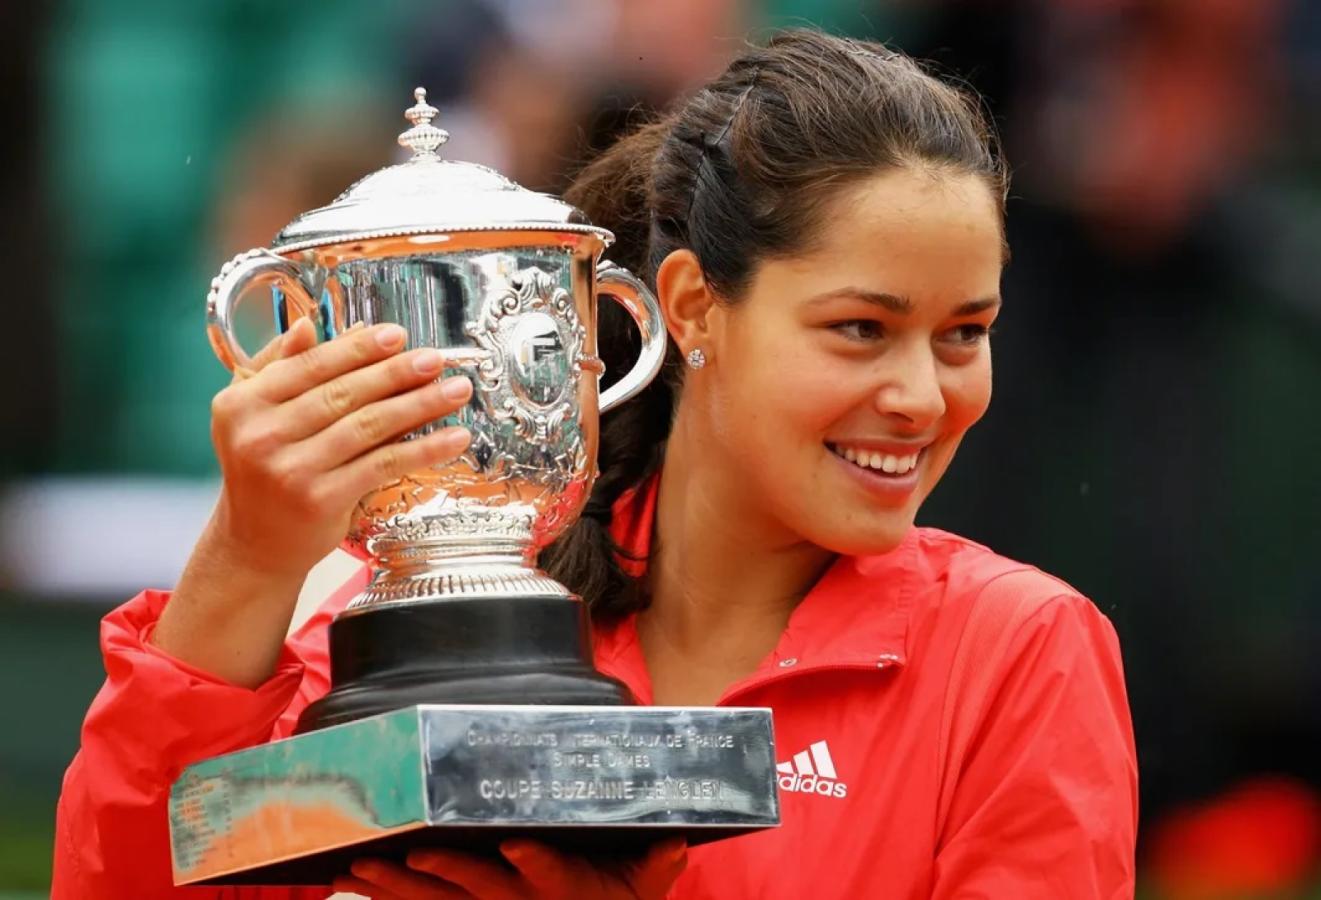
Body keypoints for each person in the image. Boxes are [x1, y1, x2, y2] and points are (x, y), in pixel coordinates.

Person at [52, 29, 1138, 899]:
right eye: (861, 329)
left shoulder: (1019, 651)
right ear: (692, 306)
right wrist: (245, 563)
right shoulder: (425, 611)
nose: (920, 396)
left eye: (963, 333)